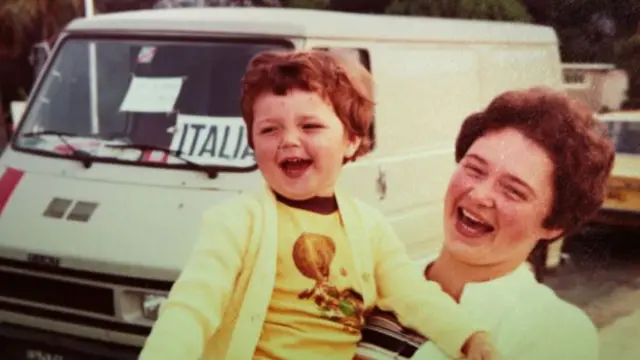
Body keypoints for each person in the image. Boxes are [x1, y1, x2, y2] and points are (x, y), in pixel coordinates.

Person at [138, 50, 502, 360]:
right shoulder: (235, 222)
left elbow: (414, 294)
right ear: (252, 142)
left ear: (352, 142)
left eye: (310, 126)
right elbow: (191, 308)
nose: (289, 140)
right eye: (269, 130)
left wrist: (469, 336)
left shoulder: (369, 227)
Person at [355, 87, 615, 360]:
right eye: (474, 169)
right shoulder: (374, 277)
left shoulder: (558, 332)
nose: (479, 195)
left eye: (513, 191)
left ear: (554, 224)